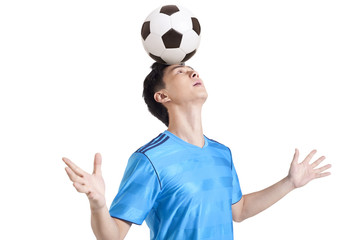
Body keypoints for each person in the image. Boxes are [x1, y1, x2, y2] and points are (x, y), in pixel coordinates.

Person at [62, 62, 332, 240]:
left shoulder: (221, 153)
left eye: (193, 69)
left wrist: (290, 183)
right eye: (180, 71)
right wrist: (97, 204)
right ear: (163, 96)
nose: (194, 73)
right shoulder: (150, 159)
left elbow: (239, 210)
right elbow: (114, 235)